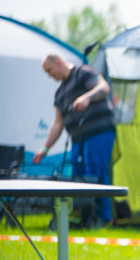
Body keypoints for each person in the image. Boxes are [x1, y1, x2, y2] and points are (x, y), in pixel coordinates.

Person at [35, 54, 116, 227]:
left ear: (58, 62)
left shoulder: (82, 73)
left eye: (49, 71)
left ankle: (104, 217)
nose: (49, 75)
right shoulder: (59, 93)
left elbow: (104, 87)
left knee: (96, 173)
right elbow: (57, 124)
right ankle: (86, 217)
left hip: (99, 131)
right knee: (79, 178)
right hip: (78, 139)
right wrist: (44, 148)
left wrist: (87, 97)